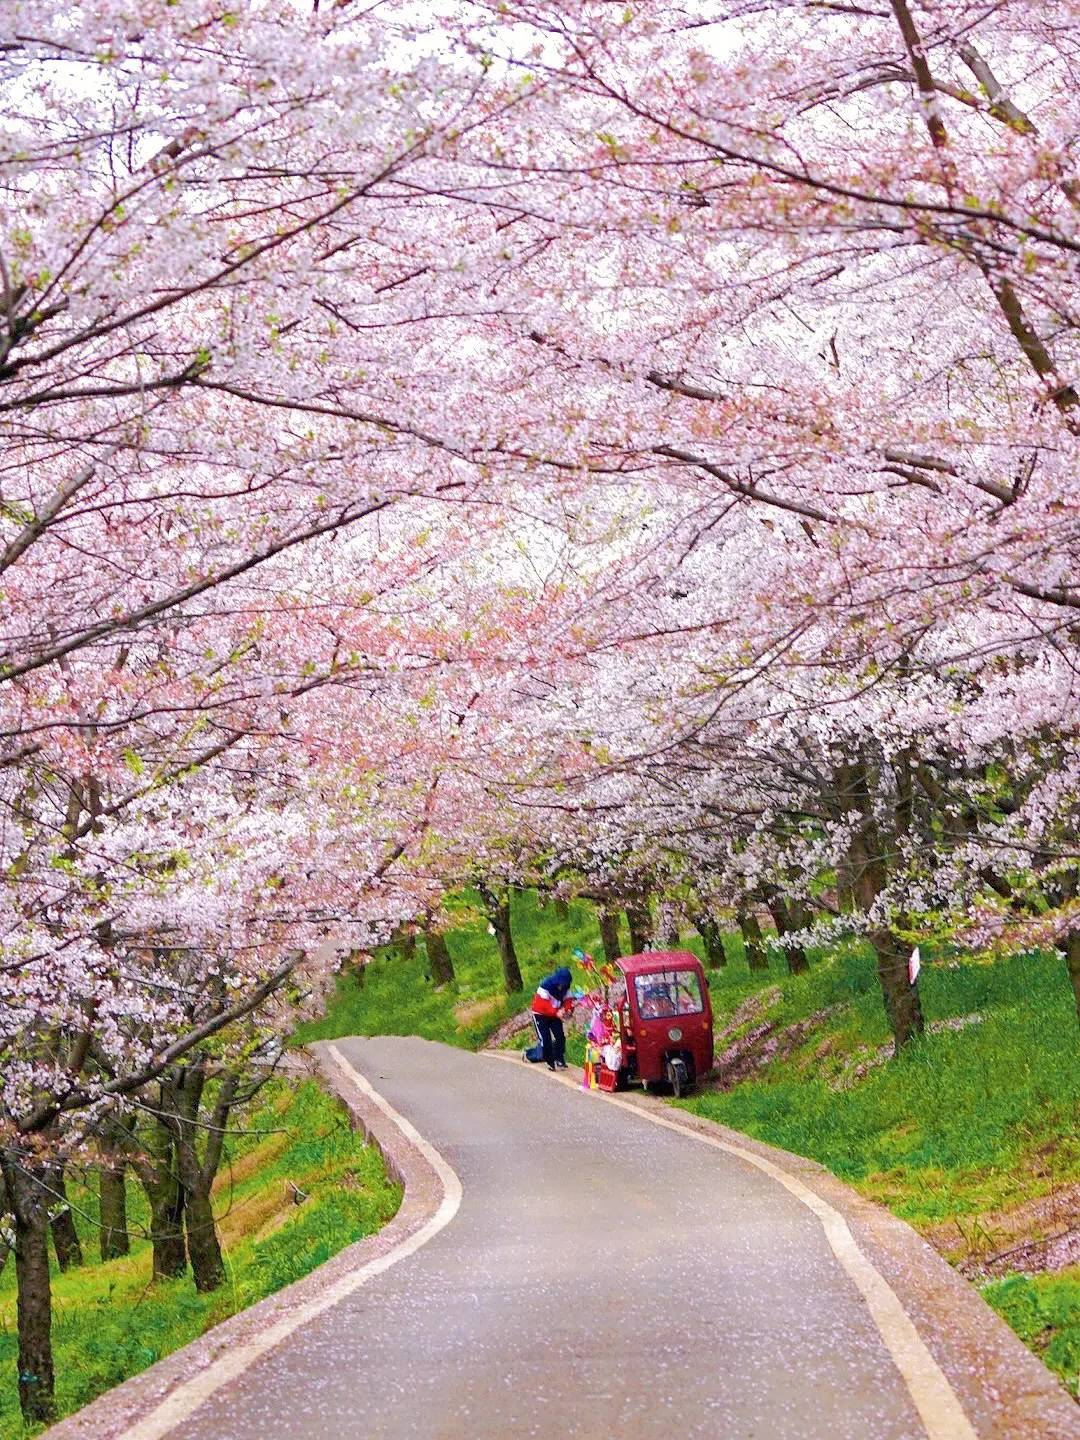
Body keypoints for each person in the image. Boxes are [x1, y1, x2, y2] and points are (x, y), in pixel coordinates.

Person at [530, 965, 573, 1070]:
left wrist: (567, 1010)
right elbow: (543, 1005)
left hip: (554, 1015)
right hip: (540, 1015)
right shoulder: (545, 987)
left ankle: (559, 1058)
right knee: (546, 1039)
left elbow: (568, 1001)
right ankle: (550, 1062)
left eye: (565, 984)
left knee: (560, 1036)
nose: (562, 986)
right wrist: (557, 1012)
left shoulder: (566, 989)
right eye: (561, 983)